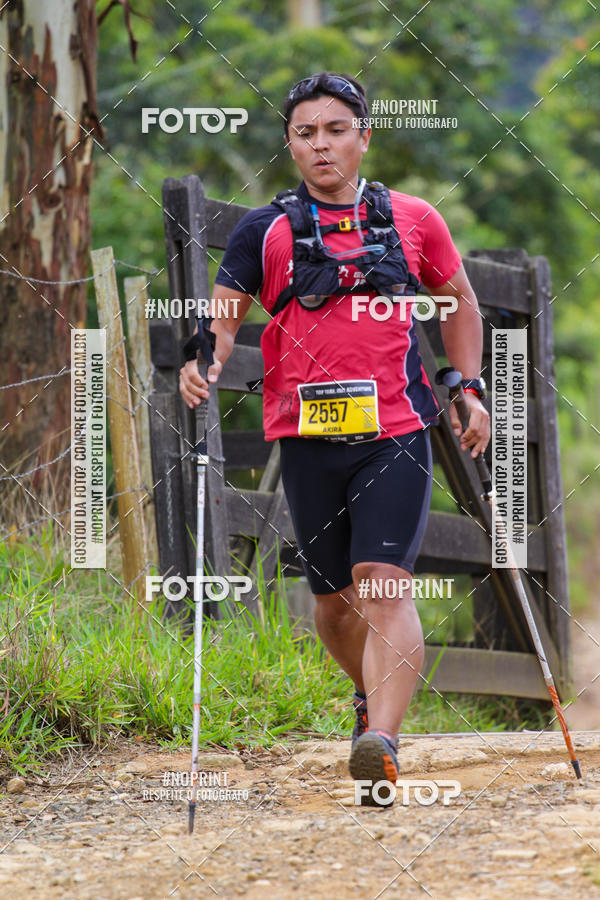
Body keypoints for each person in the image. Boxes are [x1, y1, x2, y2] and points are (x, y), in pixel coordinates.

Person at [179, 71, 490, 805]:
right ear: (290, 144)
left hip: (397, 431)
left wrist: (466, 384)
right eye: (305, 133)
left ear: (363, 137)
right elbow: (220, 320)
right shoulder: (265, 229)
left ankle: (381, 740)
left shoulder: (416, 219)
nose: (321, 145)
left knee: (384, 585)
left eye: (335, 130)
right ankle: (369, 698)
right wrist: (204, 363)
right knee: (331, 603)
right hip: (307, 433)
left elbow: (460, 304)